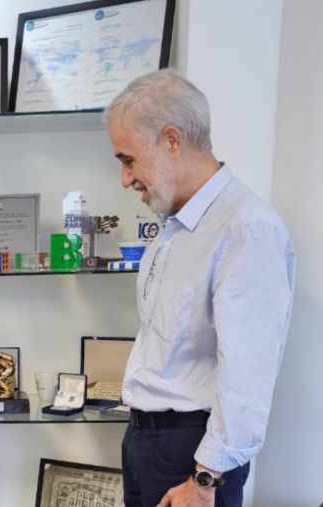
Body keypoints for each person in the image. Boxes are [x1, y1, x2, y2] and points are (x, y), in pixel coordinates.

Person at [104, 70, 295, 507]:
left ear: (172, 139)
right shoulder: (174, 228)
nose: (125, 178)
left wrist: (204, 480)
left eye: (128, 159)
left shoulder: (246, 228)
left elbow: (247, 375)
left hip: (192, 461)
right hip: (146, 445)